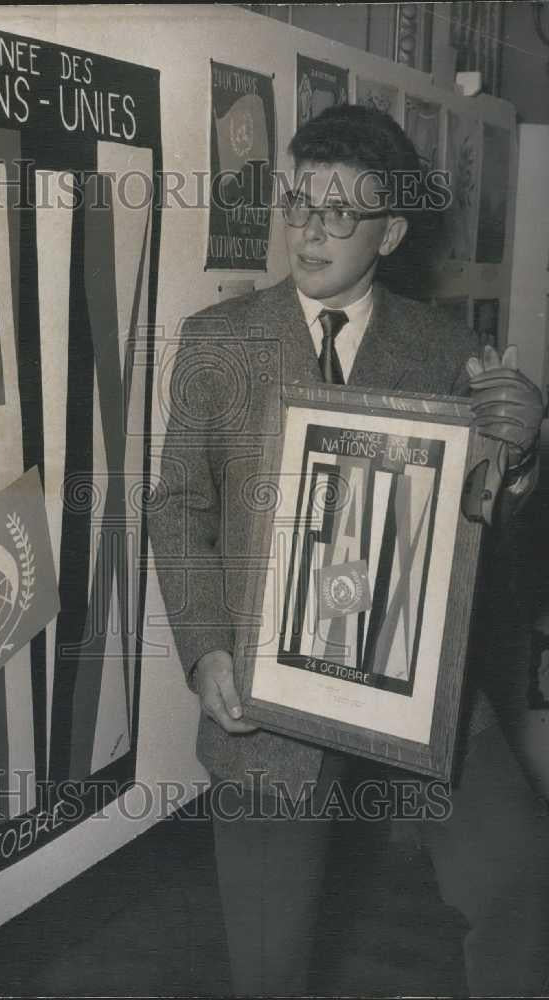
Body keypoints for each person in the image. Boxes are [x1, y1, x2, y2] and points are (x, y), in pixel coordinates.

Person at [149, 104, 548, 996]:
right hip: (266, 697)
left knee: (519, 872)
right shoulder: (219, 341)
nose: (310, 231)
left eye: (340, 212)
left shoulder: (446, 349)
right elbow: (178, 508)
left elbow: (486, 525)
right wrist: (206, 650)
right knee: (269, 965)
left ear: (392, 233)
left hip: (416, 682)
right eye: (298, 203)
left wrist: (519, 457)